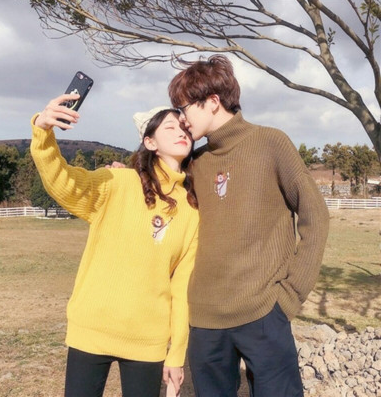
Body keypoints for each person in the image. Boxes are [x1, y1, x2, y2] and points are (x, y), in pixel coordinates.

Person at [168, 55, 330, 397]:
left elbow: (315, 214)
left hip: (264, 312)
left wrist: (290, 295)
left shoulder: (271, 143)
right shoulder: (195, 163)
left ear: (213, 101)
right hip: (205, 319)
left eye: (183, 108)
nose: (181, 119)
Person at [30, 94, 199, 397]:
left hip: (148, 340)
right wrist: (43, 133)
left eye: (184, 129)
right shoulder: (118, 182)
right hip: (91, 329)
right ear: (150, 142)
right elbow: (63, 181)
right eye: (170, 127)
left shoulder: (191, 209)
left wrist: (176, 354)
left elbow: (182, 287)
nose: (181, 133)